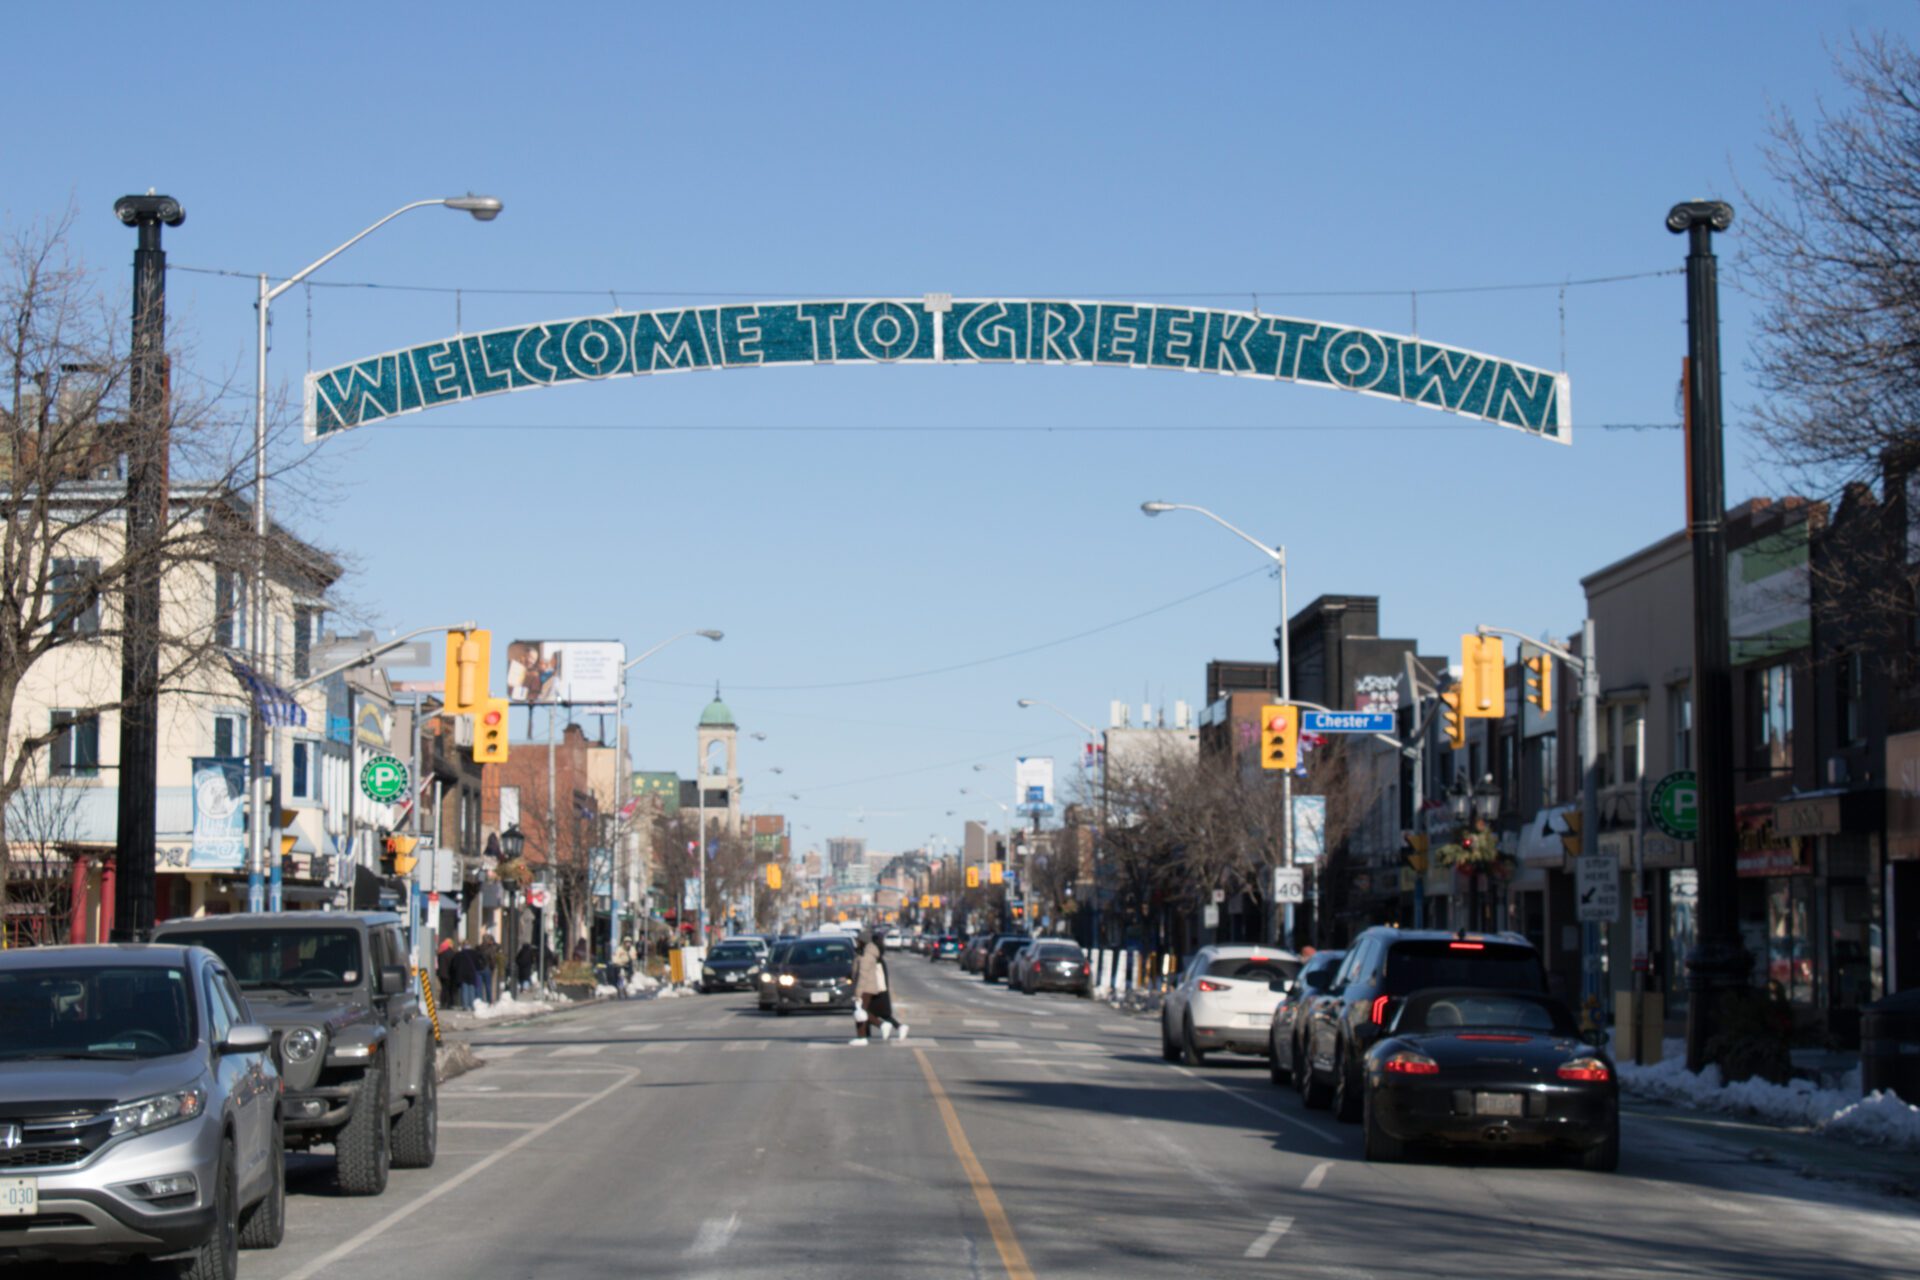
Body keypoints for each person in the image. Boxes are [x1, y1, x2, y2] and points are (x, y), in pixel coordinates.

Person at [865, 932, 908, 1043]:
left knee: (868, 1011)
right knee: (878, 1013)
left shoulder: (875, 956)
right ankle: (897, 1027)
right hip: (881, 989)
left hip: (877, 989)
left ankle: (896, 1027)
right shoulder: (879, 954)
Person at [851, 927, 884, 1045]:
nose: (856, 942)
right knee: (861, 1012)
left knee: (860, 1012)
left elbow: (863, 975)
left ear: (863, 941)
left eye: (858, 940)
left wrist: (858, 993)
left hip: (865, 988)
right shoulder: (865, 952)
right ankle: (865, 1035)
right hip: (866, 987)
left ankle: (862, 1037)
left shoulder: (866, 955)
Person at [452, 942, 482, 1011]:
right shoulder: (474, 953)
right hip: (472, 973)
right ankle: (471, 1005)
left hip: (462, 974)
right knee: (472, 989)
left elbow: (455, 965)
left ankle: (465, 1006)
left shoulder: (459, 954)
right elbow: (478, 964)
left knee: (464, 989)